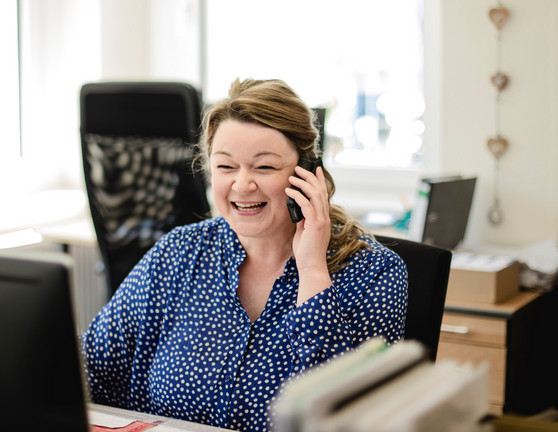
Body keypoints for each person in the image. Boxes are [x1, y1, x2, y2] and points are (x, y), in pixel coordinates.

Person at [82, 78, 408, 432]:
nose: (242, 185)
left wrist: (312, 268)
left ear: (308, 173)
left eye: (264, 167)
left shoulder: (375, 273)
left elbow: (349, 415)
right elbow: (92, 365)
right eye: (225, 167)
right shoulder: (179, 252)